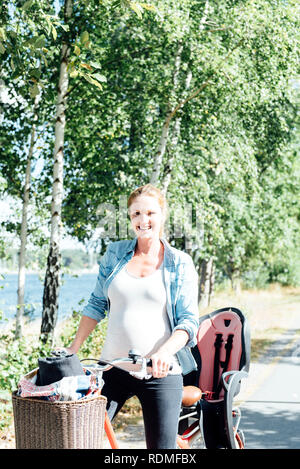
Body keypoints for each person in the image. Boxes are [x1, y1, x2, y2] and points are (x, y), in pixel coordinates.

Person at [64, 184, 199, 449]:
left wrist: (164, 352)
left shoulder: (180, 263)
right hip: (112, 368)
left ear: (162, 215)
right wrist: (73, 349)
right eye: (136, 214)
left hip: (159, 372)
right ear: (129, 218)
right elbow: (96, 304)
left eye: (150, 213)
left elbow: (188, 322)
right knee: (81, 439)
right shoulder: (115, 253)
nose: (143, 220)